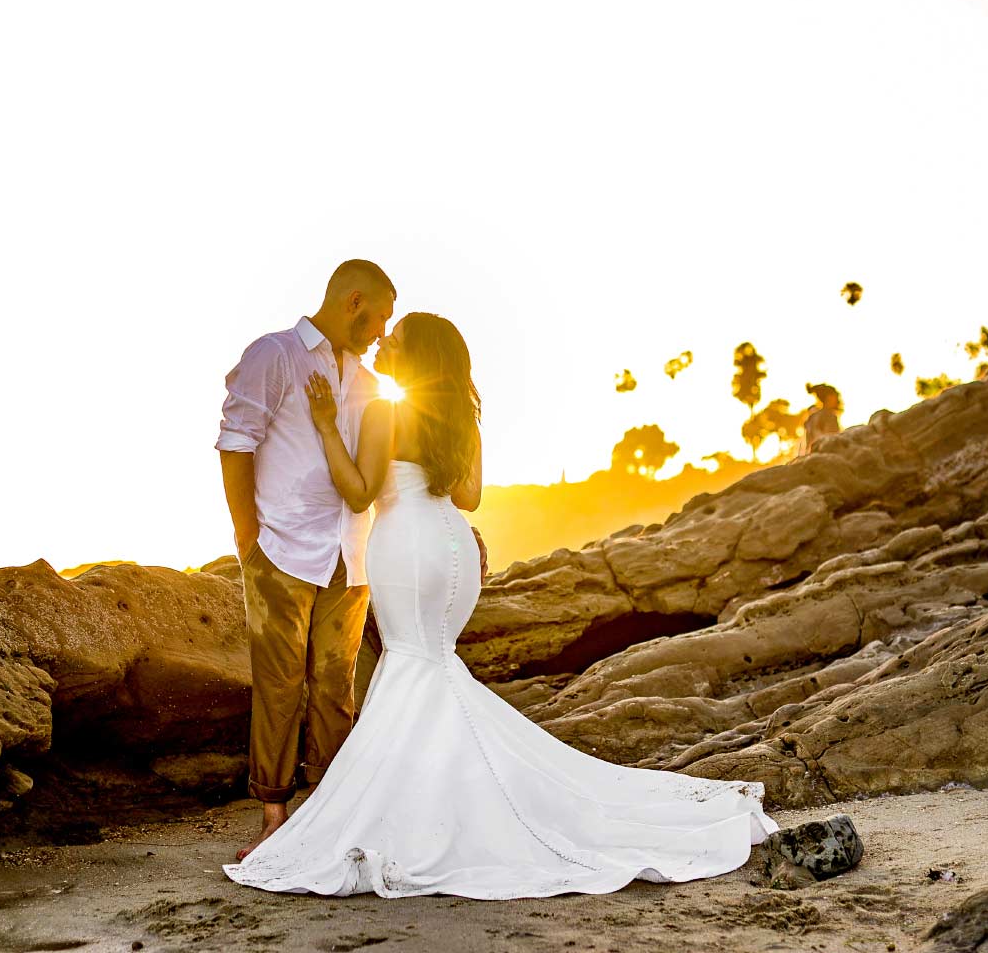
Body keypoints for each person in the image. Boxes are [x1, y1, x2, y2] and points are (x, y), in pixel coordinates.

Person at [224, 312, 779, 899]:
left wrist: (325, 427)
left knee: (415, 664)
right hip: (452, 546)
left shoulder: (387, 411)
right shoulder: (460, 417)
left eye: (398, 336)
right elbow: (469, 495)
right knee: (433, 665)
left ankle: (428, 806)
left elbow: (359, 492)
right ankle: (449, 792)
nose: (386, 340)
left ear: (416, 357)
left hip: (407, 546)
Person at [215, 260, 483, 862]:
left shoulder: (370, 383)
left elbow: (367, 480)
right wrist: (246, 537)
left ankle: (338, 814)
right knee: (279, 684)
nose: (383, 331)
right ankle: (274, 813)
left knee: (337, 687)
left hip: (354, 553)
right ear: (354, 301)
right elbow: (236, 441)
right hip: (282, 548)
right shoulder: (276, 354)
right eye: (382, 316)